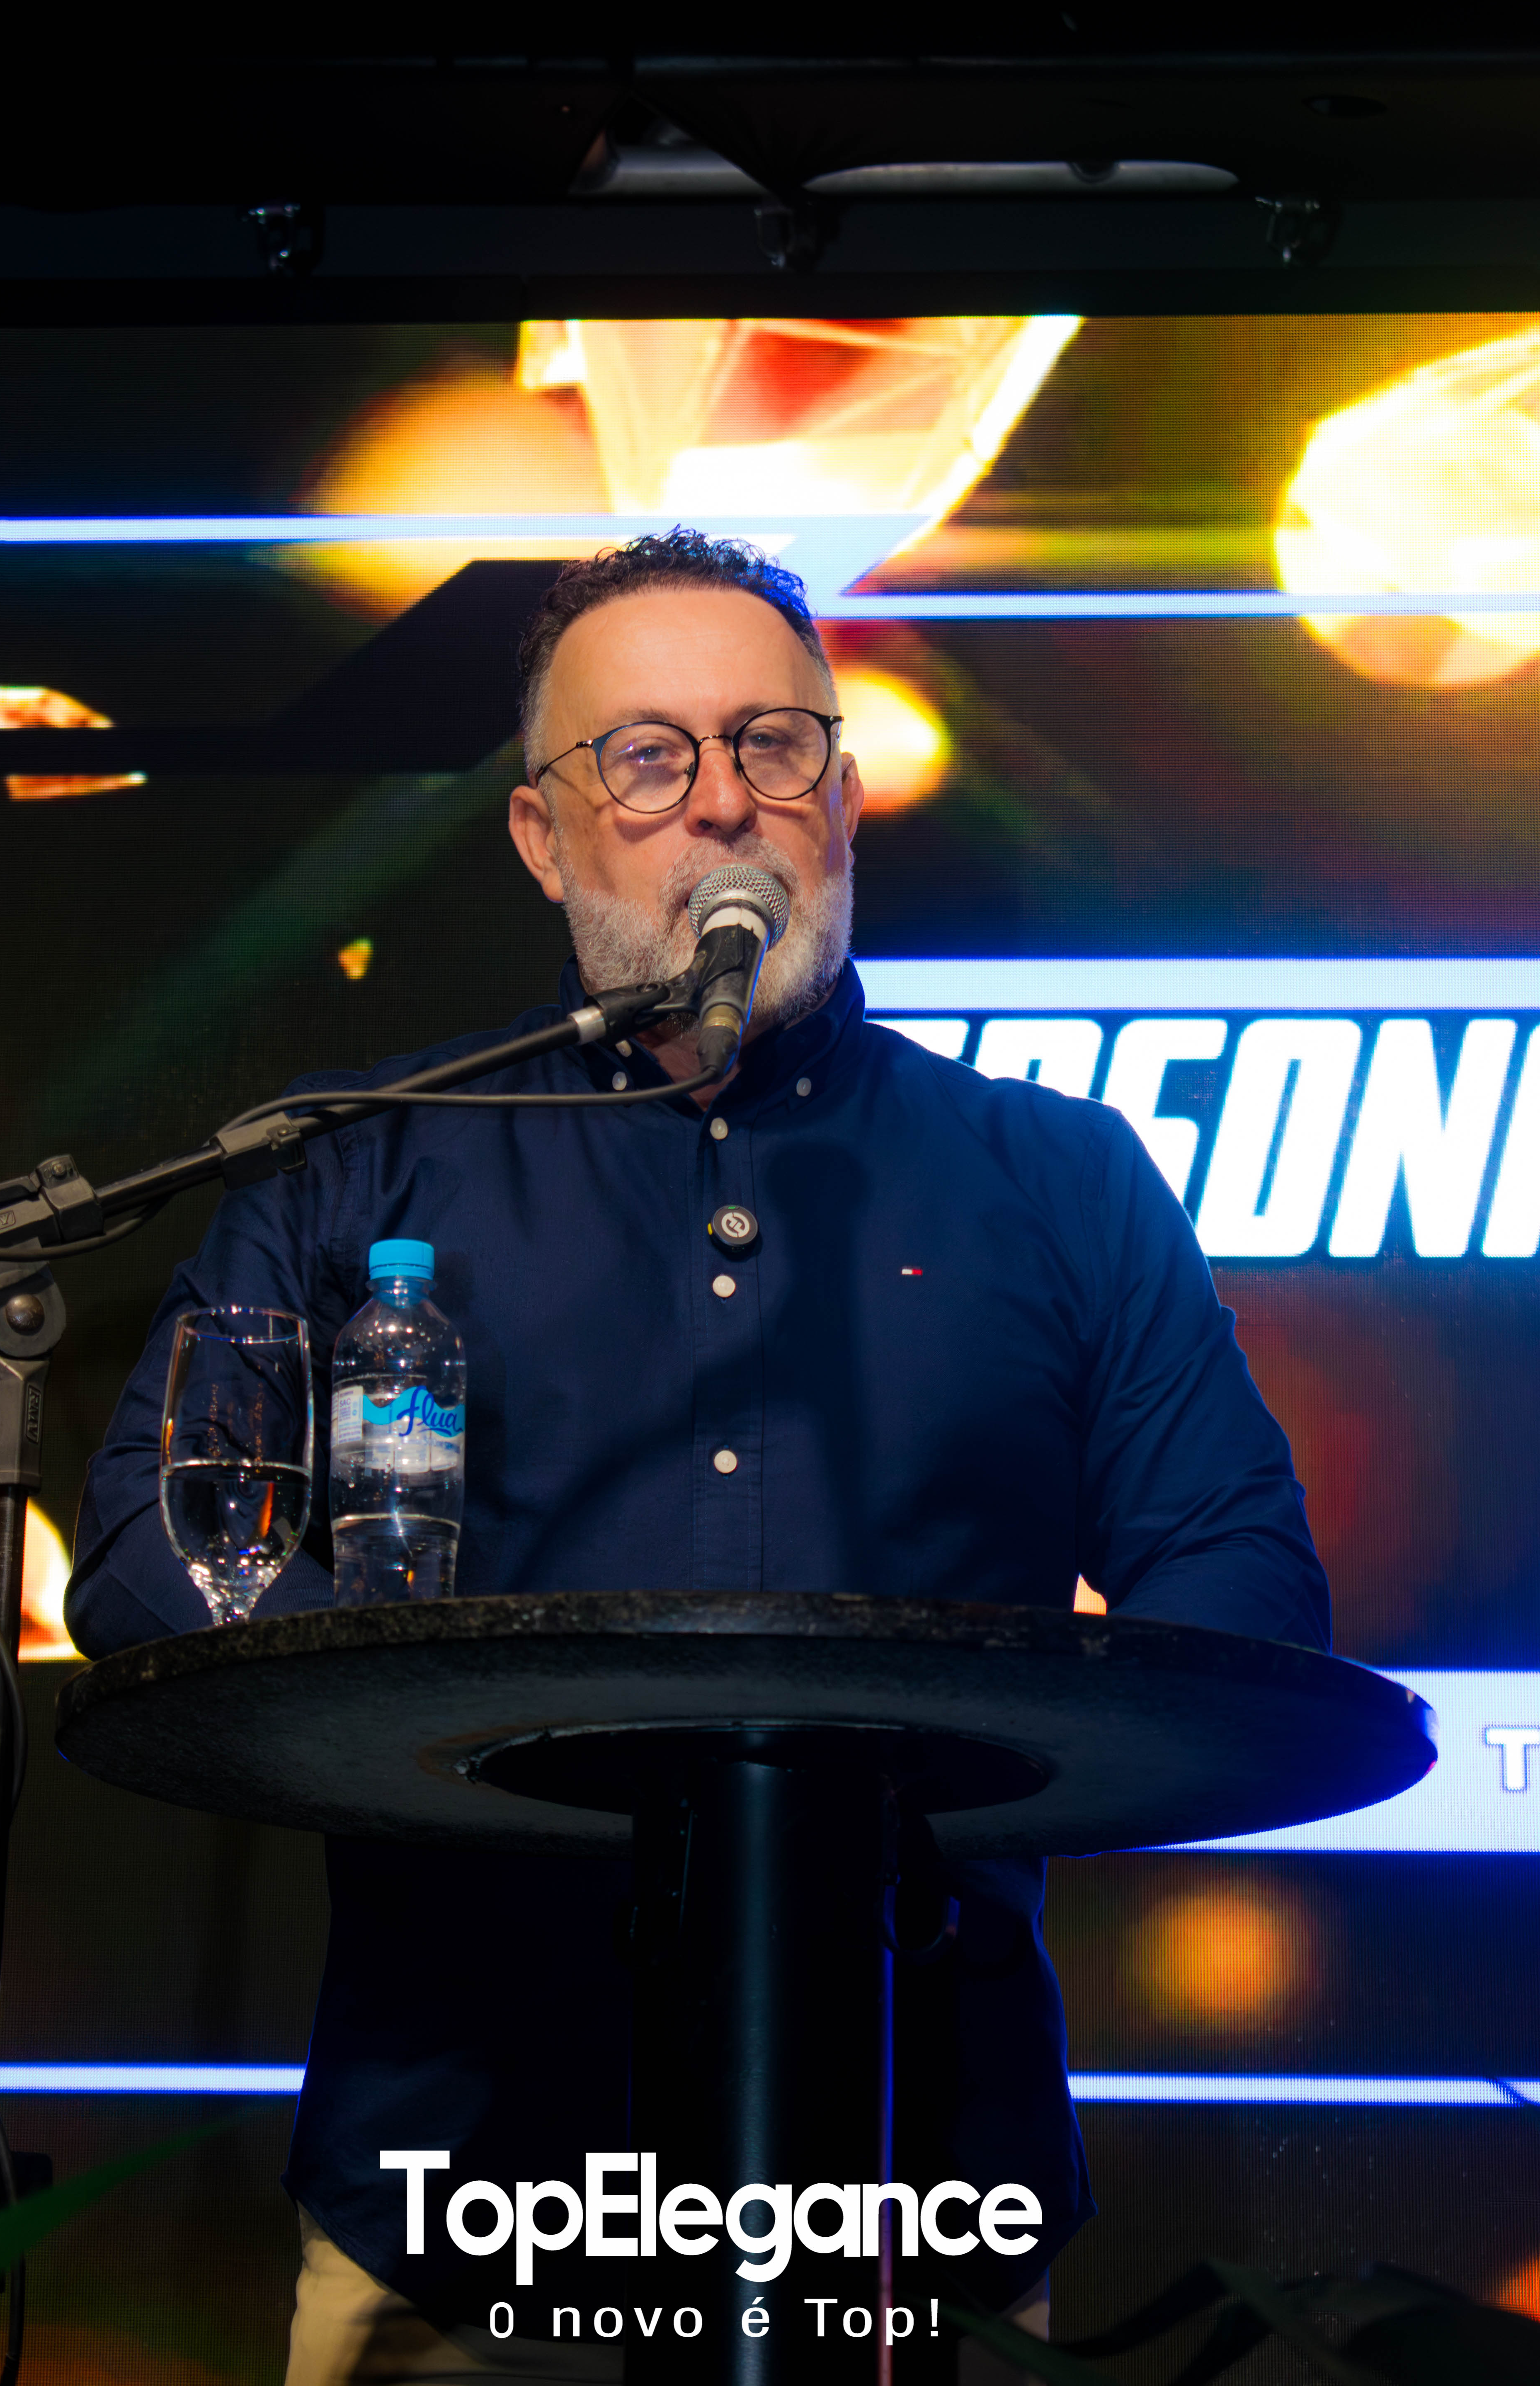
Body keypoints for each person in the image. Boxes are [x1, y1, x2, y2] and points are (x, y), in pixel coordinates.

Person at [67, 529, 1330, 2384]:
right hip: (471, 2183)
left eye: (773, 744)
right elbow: (150, 1544)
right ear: (543, 837)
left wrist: (958, 1773)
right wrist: (427, 1736)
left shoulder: (1059, 1179)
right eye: (647, 759)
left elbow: (1243, 1583)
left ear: (843, 794)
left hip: (917, 2191)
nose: (725, 803)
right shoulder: (372, 1167)